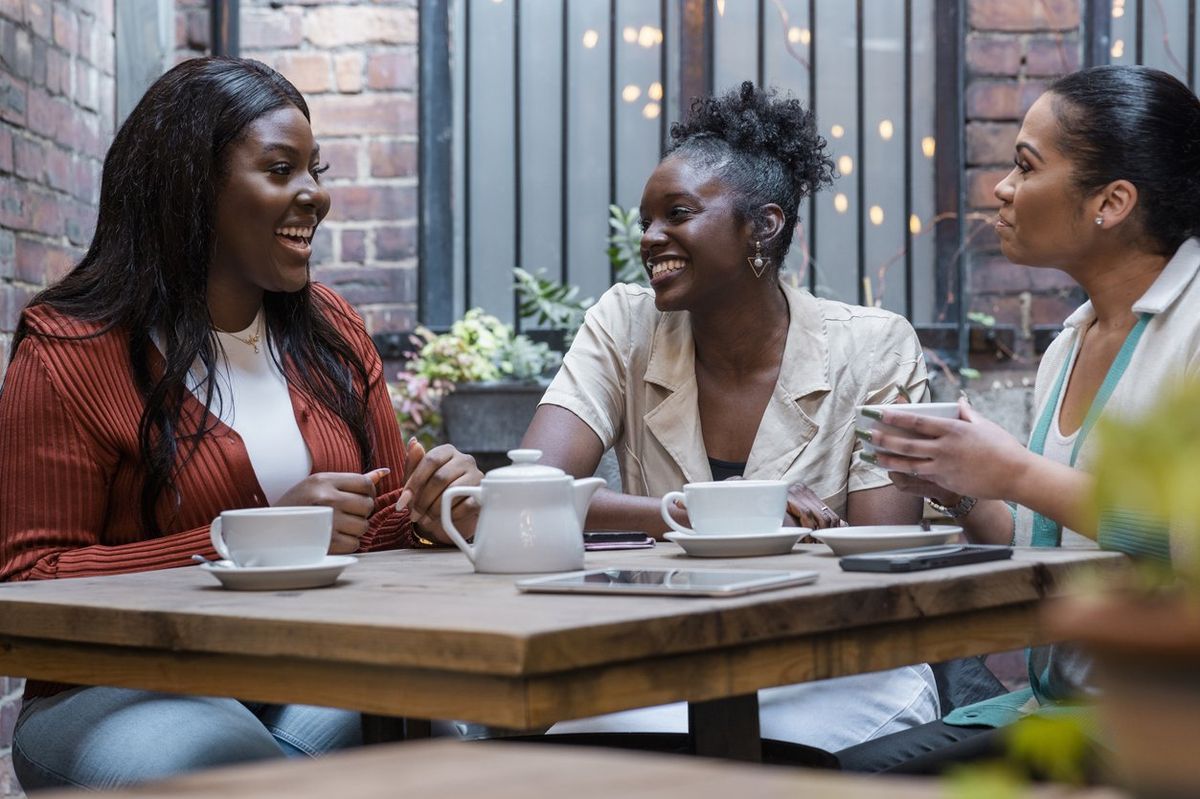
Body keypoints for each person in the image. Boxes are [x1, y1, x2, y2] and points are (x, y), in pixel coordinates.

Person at [0, 57, 482, 791]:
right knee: (235, 768)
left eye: (314, 170)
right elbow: (25, 580)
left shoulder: (333, 334)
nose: (314, 195)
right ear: (192, 187)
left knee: (431, 735)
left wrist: (433, 513)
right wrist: (246, 538)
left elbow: (382, 526)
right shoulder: (69, 353)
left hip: (297, 671)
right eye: (281, 169)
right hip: (108, 688)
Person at [521, 82, 939, 753]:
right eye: (647, 219)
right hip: (664, 660)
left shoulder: (872, 346)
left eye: (677, 214)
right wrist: (704, 509)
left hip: (836, 666)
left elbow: (880, 562)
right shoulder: (627, 324)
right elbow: (530, 498)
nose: (651, 237)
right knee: (551, 759)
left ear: (763, 225)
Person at [837, 64, 1200, 773]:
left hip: (1160, 730)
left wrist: (1013, 468)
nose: (1000, 189)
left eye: (1025, 167)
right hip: (1053, 712)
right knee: (826, 773)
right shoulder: (1069, 342)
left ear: (1112, 201)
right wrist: (962, 482)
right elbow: (1052, 538)